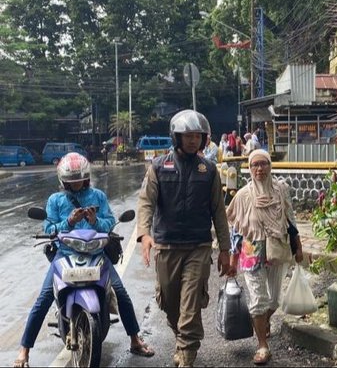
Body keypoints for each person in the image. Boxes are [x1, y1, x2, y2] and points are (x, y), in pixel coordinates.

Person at [13, 152, 154, 368]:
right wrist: (68, 221)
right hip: (65, 255)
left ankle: (135, 339)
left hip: (96, 254)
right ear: (64, 180)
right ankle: (24, 351)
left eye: (79, 178)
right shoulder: (56, 200)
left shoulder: (98, 196)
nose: (76, 183)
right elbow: (49, 228)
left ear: (86, 177)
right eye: (71, 180)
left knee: (122, 294)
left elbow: (109, 223)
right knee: (42, 300)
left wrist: (94, 220)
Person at [136, 109, 231, 368]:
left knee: (190, 306)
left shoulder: (209, 170)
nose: (192, 141)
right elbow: (146, 202)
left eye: (197, 136)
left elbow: (218, 212)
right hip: (167, 245)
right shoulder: (158, 166)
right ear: (176, 137)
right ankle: (182, 341)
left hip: (198, 246)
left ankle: (187, 356)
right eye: (187, 136)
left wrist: (225, 249)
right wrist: (144, 234)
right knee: (169, 303)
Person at [225, 149, 303, 365]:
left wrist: (298, 245)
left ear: (270, 165)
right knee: (259, 300)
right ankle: (262, 345)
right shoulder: (243, 195)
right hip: (251, 250)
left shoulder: (280, 190)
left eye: (263, 164)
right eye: (254, 165)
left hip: (277, 247)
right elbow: (236, 229)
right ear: (249, 169)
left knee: (275, 300)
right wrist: (232, 258)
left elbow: (290, 218)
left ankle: (262, 321)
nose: (259, 169)